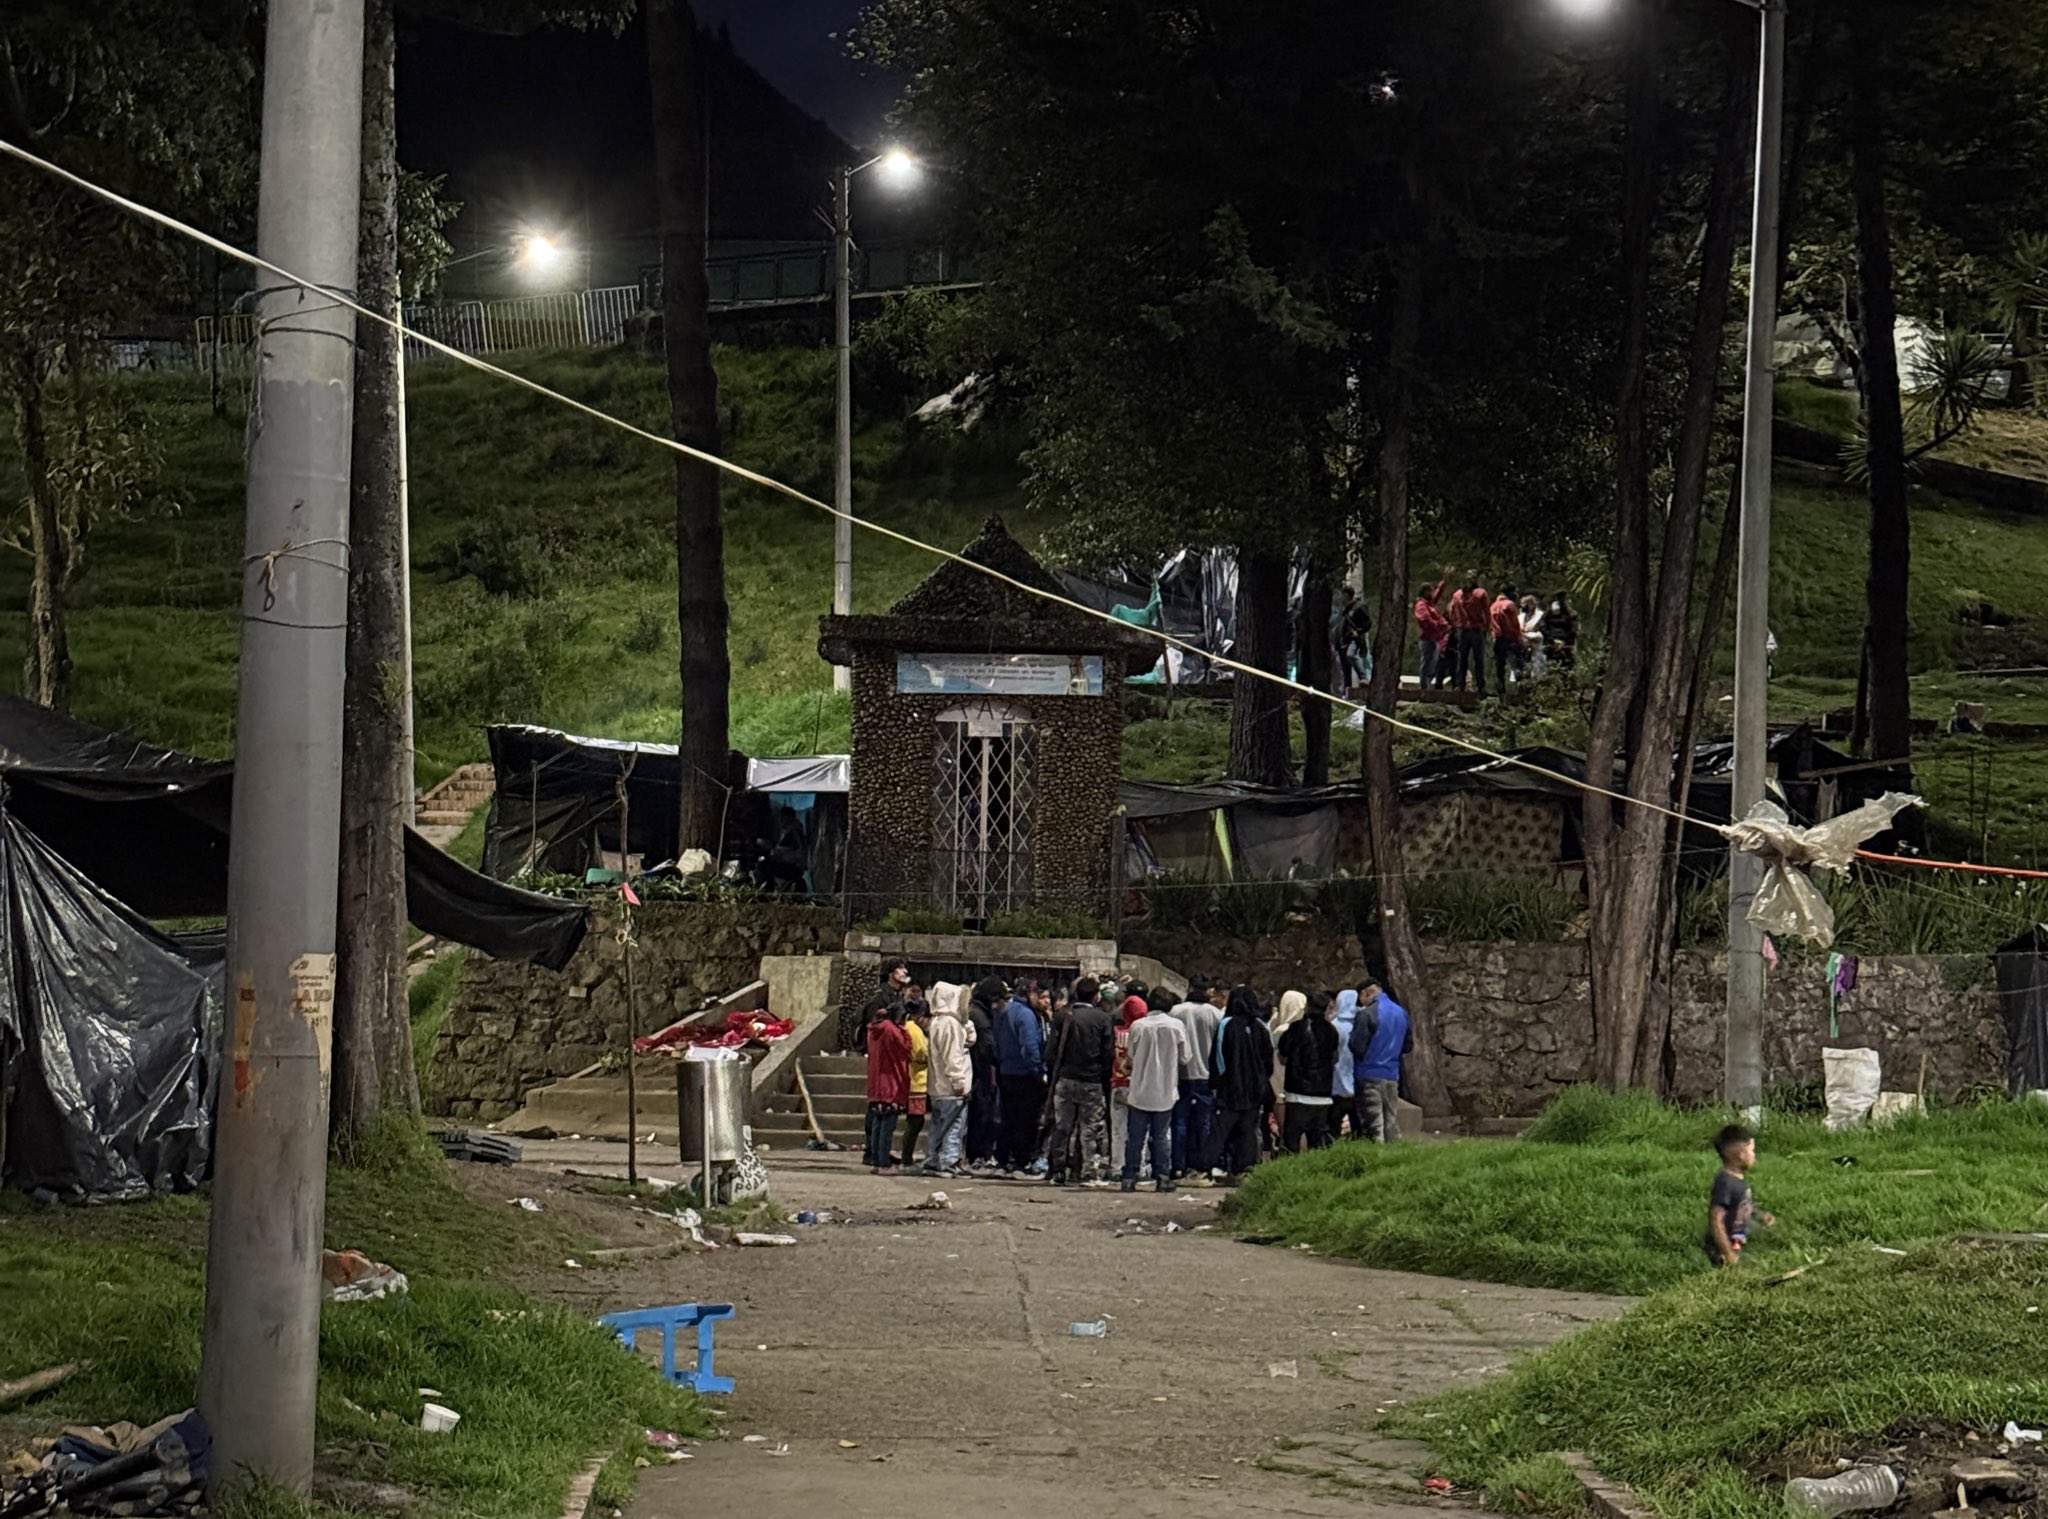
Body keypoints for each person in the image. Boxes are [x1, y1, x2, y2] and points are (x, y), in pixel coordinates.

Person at [1045, 976, 1115, 1185]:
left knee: (1062, 1126)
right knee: (1089, 1128)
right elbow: (1108, 1053)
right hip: (1091, 1081)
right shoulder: (1103, 1019)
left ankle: (1058, 1169)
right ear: (1096, 996)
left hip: (1065, 1078)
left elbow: (1050, 1052)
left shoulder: (1062, 1016)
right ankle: (1088, 1170)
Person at [1121, 993, 1192, 1192]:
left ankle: (1129, 1177)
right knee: (1161, 1136)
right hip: (1165, 1090)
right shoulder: (1176, 1026)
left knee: (1135, 1137)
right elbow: (1185, 1058)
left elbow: (1131, 1056)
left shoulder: (1138, 1026)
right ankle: (1162, 1177)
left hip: (1140, 1089)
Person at [1207, 986, 1275, 1179]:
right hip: (1254, 1091)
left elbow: (1218, 1057)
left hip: (1229, 1090)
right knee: (1247, 1131)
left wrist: (1218, 1082)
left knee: (1220, 1131)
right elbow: (1267, 1060)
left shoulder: (1226, 1024)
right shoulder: (1260, 1027)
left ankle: (1204, 1168)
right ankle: (1244, 1168)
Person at [1169, 978, 1223, 1184]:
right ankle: (1203, 1166)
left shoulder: (1176, 1011)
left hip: (1182, 1074)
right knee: (1204, 1124)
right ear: (1208, 991)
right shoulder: (1215, 1014)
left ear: (1189, 988)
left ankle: (1178, 1167)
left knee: (1179, 1122)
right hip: (1206, 1075)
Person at [994, 979, 1047, 1176]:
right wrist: (1038, 1071)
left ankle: (1003, 1160)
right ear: (1030, 995)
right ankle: (1021, 1161)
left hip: (1006, 1071)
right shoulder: (1026, 1015)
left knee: (1007, 1118)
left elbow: (996, 1043)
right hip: (1024, 1074)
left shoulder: (1004, 1011)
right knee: (1025, 1120)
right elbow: (1030, 1046)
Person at [923, 983, 976, 1177]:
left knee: (938, 1125)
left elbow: (970, 1040)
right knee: (954, 1126)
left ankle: (933, 1159)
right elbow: (953, 1057)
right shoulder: (949, 1025)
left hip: (938, 1087)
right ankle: (948, 1161)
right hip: (950, 1088)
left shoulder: (938, 1022)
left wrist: (966, 1023)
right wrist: (959, 1083)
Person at [1277, 990, 1339, 1151]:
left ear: (1307, 1007)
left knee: (1291, 1141)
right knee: (1318, 1143)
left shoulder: (1296, 1028)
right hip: (1323, 1095)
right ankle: (1317, 1174)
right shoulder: (1332, 1031)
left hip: (1298, 1093)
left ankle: (1290, 1173)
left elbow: (1283, 1052)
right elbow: (1335, 1058)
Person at [1704, 1123, 1774, 1266]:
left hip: (1737, 1240)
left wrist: (1759, 1215)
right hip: (1725, 1245)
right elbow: (1716, 1219)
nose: (1754, 1155)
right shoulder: (1725, 1183)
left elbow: (1742, 1204)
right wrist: (1727, 1252)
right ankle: (1722, 1257)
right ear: (1741, 1156)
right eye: (1752, 1151)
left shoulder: (1738, 1179)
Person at [1348, 980, 1409, 1143]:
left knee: (1372, 1125)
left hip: (1368, 1073)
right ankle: (1392, 1158)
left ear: (1364, 994)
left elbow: (1357, 1046)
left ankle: (1374, 1158)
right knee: (1390, 1122)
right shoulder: (1401, 1013)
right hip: (1392, 1073)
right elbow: (1408, 1045)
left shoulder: (1366, 1014)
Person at [863, 997, 909, 1174]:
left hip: (876, 1082)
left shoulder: (874, 1029)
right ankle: (883, 1163)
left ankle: (876, 1161)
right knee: (887, 1126)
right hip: (890, 1082)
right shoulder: (891, 1030)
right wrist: (904, 1031)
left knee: (877, 1124)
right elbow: (905, 1048)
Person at [965, 977, 1005, 1170]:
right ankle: (978, 1154)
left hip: (976, 1071)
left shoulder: (976, 1012)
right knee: (981, 1115)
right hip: (980, 1072)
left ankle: (977, 1153)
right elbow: (988, 1047)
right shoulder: (980, 1017)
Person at [898, 995, 930, 1168]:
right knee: (915, 1121)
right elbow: (921, 1052)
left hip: (911, 1076)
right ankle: (907, 1156)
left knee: (914, 1121)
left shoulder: (905, 1026)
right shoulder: (914, 1029)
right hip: (917, 1079)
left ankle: (906, 1155)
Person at [1447, 572, 1490, 695]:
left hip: (1461, 630)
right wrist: (1486, 627)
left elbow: (1451, 611)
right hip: (1476, 629)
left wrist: (1455, 624)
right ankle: (1480, 686)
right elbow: (1486, 612)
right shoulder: (1480, 593)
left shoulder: (1456, 595)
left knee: (1462, 659)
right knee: (1478, 659)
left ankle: (1460, 685)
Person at [1330, 987, 1359, 1137]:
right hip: (1357, 1083)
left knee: (1333, 1127)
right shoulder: (1360, 1024)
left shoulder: (1334, 1026)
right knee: (1358, 1128)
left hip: (1336, 1084)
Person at [1414, 573, 1451, 691]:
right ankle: (1424, 685)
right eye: (1429, 591)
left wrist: (1443, 582)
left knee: (1433, 662)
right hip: (1427, 637)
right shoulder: (1421, 605)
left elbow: (1437, 595)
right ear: (1424, 592)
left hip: (1435, 638)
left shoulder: (1430, 604)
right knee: (1427, 662)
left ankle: (1428, 683)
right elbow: (1424, 619)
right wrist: (1440, 625)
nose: (1431, 593)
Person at [1490, 583, 1525, 692]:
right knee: (1517, 665)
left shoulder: (1493, 606)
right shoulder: (1510, 605)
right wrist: (1519, 638)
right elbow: (1514, 624)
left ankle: (1501, 691)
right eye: (1515, 592)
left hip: (1497, 639)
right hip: (1510, 639)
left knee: (1500, 667)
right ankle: (1521, 691)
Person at [1546, 592, 1578, 672]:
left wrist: (1563, 642)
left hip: (1566, 645)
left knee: (1566, 668)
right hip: (1553, 644)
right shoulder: (1549, 614)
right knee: (1553, 668)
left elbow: (1573, 630)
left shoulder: (1571, 615)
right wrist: (1552, 640)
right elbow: (1543, 627)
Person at [1519, 595, 1548, 680]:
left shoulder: (1540, 616)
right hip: (1523, 646)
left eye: (1526, 605)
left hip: (1537, 646)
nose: (1524, 607)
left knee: (1537, 670)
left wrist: (1527, 634)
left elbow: (1542, 631)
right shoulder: (1521, 616)